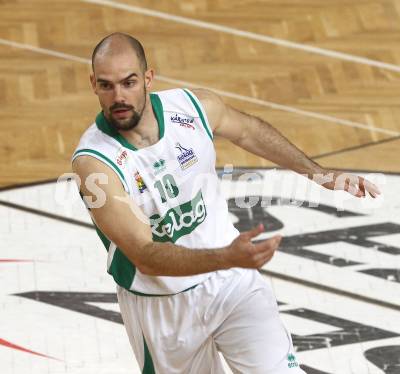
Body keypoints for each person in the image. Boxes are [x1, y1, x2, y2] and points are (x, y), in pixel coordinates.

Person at [72, 32, 380, 374]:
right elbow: (145, 257)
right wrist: (226, 256)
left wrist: (317, 172)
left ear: (148, 78)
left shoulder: (192, 108)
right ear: (93, 85)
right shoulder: (94, 164)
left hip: (232, 282)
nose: (119, 96)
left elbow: (248, 130)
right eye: (106, 86)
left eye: (128, 83)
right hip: (162, 305)